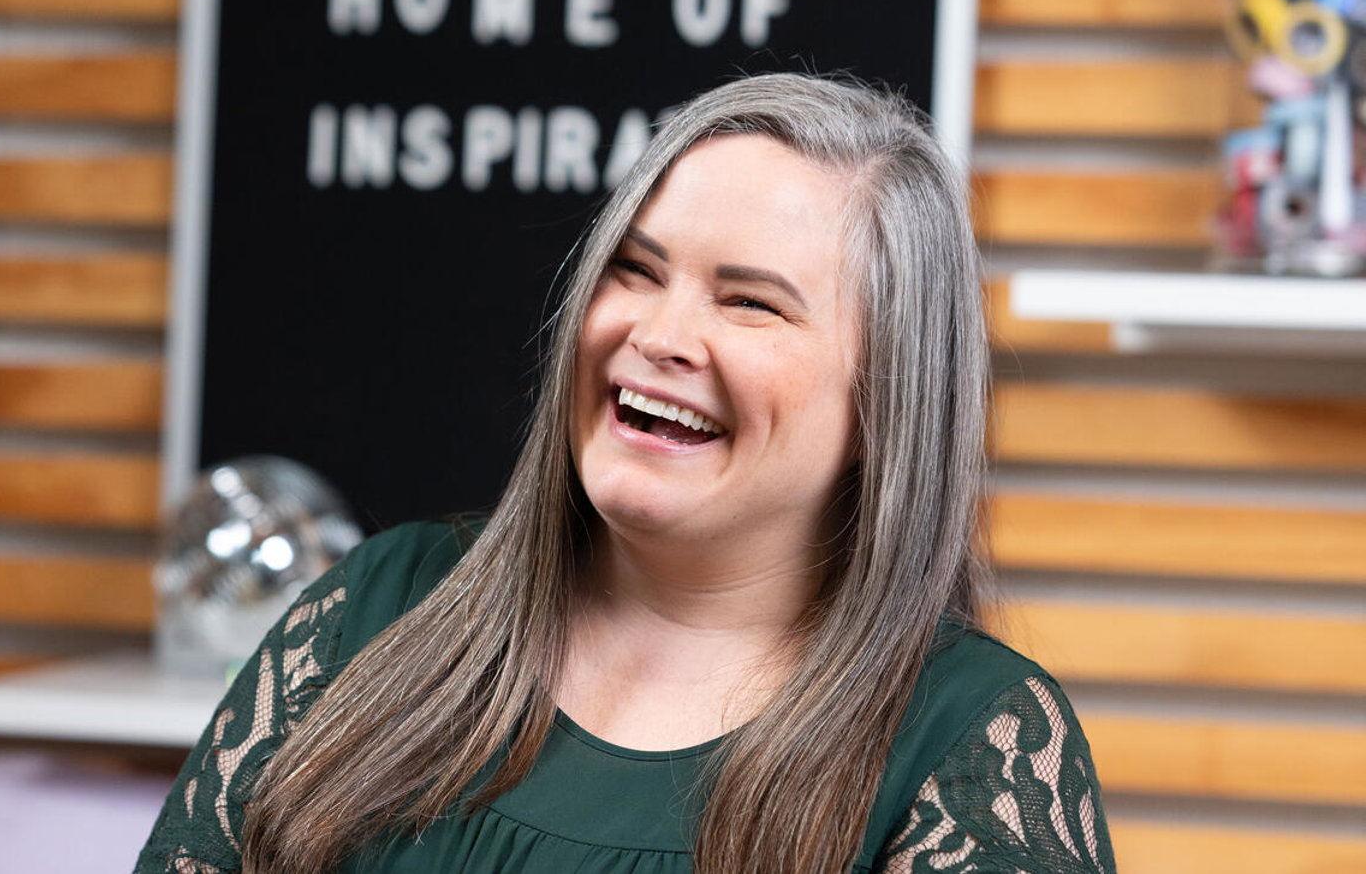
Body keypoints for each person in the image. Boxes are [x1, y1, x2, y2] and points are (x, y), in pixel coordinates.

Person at [136, 73, 1116, 874]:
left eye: (749, 303)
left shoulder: (970, 743)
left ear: (883, 408)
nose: (656, 334)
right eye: (635, 270)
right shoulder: (371, 610)